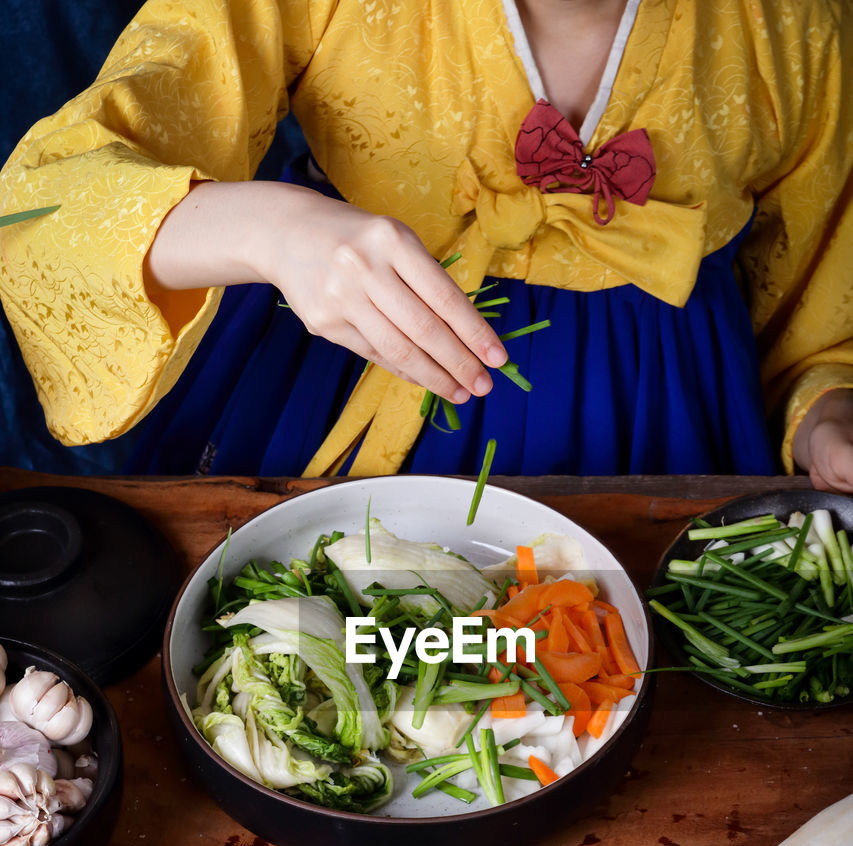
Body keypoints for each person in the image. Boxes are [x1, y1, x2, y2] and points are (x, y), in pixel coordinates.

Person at [0, 0, 851, 487]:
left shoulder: (800, 29)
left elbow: (819, 298)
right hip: (348, 355)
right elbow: (40, 204)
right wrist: (270, 230)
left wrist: (825, 415)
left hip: (659, 406)